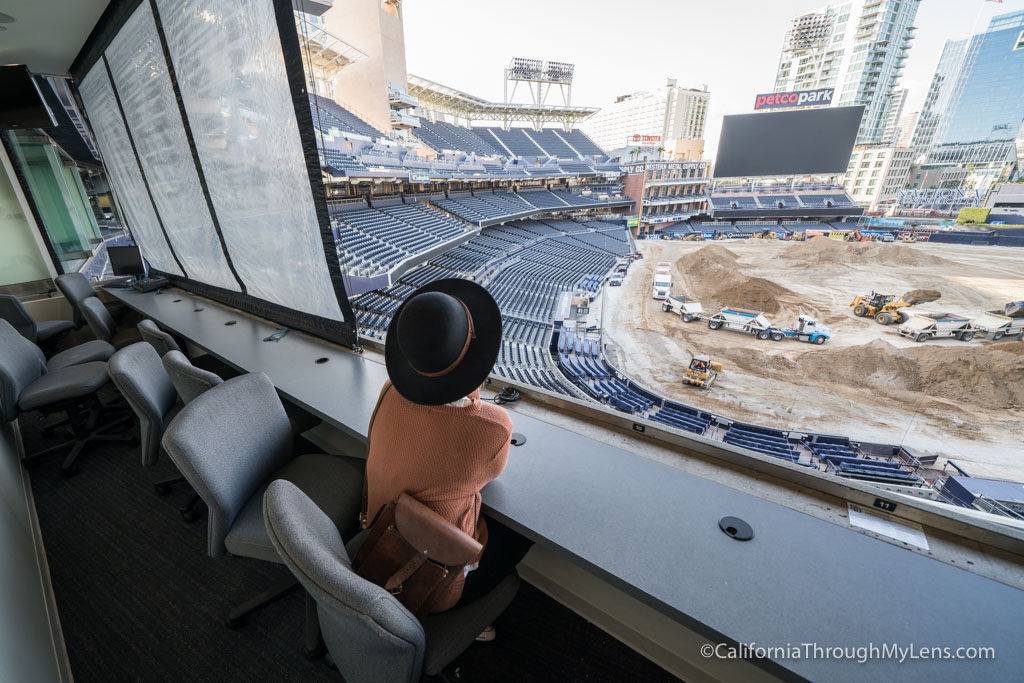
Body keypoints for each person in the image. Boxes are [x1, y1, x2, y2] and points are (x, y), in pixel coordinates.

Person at [365, 278, 532, 625]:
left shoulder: (387, 391)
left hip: (376, 539)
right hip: (425, 577)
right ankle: (452, 621)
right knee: (521, 536)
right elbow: (491, 474)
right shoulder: (494, 426)